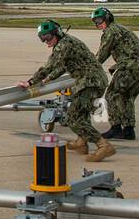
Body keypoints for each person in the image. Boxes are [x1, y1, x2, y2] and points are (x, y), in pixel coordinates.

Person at [17, 19, 114, 162]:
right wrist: (48, 79)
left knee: (73, 118)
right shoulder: (67, 42)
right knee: (81, 113)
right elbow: (62, 66)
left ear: (57, 33)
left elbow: (50, 65)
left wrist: (31, 82)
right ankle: (81, 143)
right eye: (42, 39)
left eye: (48, 37)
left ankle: (103, 145)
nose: (46, 41)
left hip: (90, 83)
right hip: (91, 81)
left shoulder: (63, 45)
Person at [92, 6, 139, 141]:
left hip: (129, 67)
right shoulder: (122, 29)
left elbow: (102, 54)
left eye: (100, 20)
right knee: (126, 98)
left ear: (107, 18)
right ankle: (129, 130)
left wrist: (90, 68)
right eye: (95, 22)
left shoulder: (110, 31)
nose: (98, 24)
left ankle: (116, 128)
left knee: (112, 95)